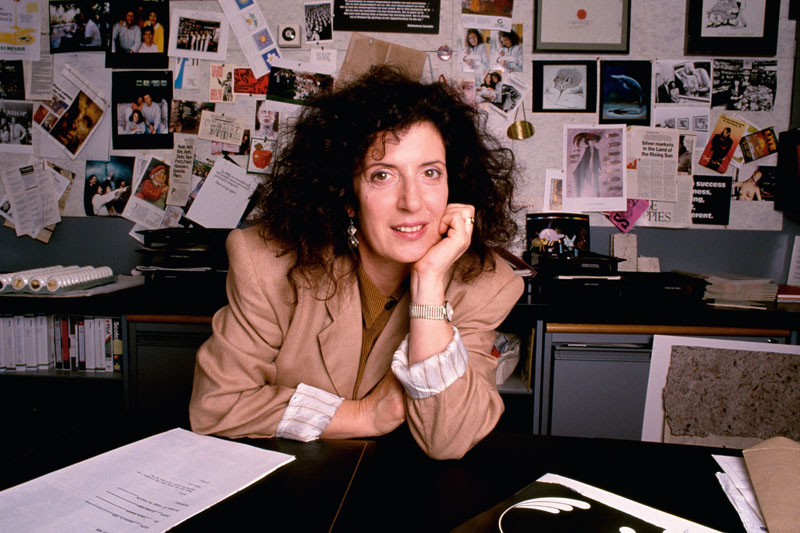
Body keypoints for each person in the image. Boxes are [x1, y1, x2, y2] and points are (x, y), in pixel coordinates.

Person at [189, 65, 524, 460]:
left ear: (455, 185)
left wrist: (429, 282)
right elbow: (215, 409)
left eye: (430, 173)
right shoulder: (267, 263)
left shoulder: (486, 283)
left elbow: (449, 439)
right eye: (383, 175)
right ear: (346, 194)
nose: (413, 202)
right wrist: (365, 416)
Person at [572, 132, 602, 197]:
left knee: (594, 183)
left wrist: (599, 167)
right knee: (584, 183)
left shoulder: (596, 150)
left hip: (593, 169)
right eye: (590, 141)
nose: (592, 142)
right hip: (585, 169)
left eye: (593, 141)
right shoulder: (586, 150)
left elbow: (598, 159)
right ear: (588, 142)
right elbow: (581, 160)